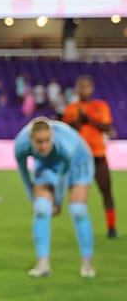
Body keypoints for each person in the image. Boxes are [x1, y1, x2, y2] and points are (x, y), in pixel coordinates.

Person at [14, 117, 96, 278]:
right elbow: (24, 174)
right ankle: (43, 264)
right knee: (42, 210)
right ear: (31, 139)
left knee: (78, 210)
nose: (43, 146)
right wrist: (33, 199)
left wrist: (57, 203)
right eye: (39, 142)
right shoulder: (20, 145)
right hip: (46, 163)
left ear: (52, 136)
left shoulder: (66, 146)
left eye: (47, 140)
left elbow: (63, 176)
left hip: (78, 161)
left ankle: (88, 264)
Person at [61, 75, 116, 237]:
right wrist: (79, 121)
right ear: (77, 89)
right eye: (81, 86)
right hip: (79, 158)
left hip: (98, 155)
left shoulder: (101, 105)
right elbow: (67, 131)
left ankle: (112, 228)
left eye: (86, 86)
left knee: (106, 191)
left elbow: (107, 127)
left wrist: (89, 120)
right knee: (78, 195)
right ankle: (82, 229)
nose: (84, 90)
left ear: (91, 88)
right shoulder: (71, 108)